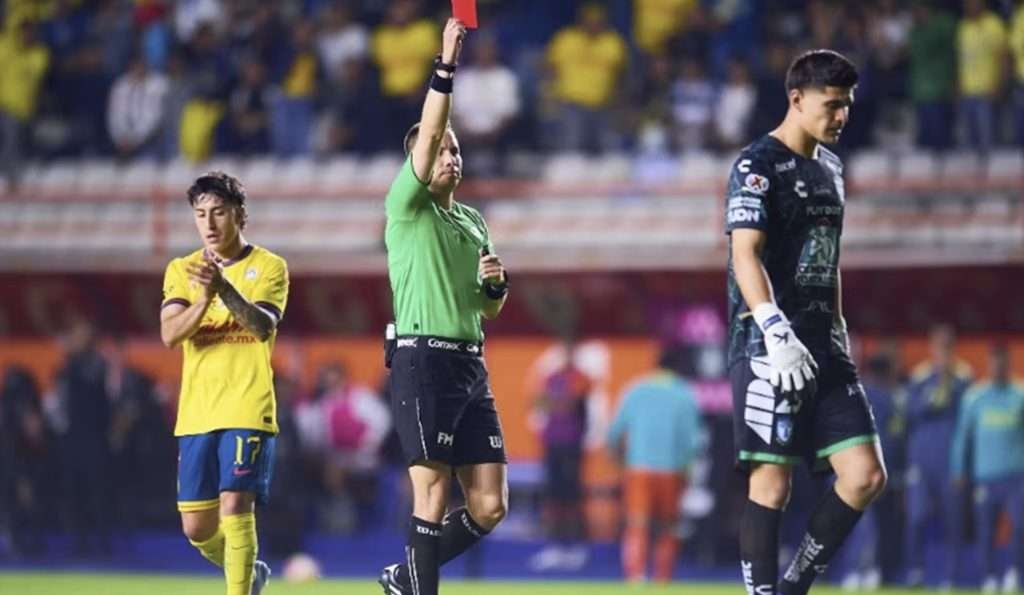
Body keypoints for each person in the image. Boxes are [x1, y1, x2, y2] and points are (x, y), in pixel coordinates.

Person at [725, 49, 887, 595]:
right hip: (767, 345)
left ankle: (794, 586)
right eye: (832, 104)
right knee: (771, 485)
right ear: (796, 99)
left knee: (865, 476)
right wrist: (774, 329)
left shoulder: (834, 169)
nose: (841, 116)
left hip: (824, 344)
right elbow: (745, 254)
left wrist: (837, 329)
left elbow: (828, 255)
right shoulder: (756, 166)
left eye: (847, 106)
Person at [376, 19, 511, 595]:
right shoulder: (407, 208)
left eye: (456, 149)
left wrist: (496, 287)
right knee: (430, 496)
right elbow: (429, 132)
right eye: (441, 149)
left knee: (490, 505)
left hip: (469, 365)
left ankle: (404, 579)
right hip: (423, 362)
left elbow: (485, 311)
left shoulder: (473, 220)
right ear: (418, 165)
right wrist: (446, 65)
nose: (450, 154)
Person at [160, 171, 289, 595]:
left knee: (236, 504)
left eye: (219, 212)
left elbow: (262, 327)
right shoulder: (181, 270)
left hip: (247, 405)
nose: (210, 224)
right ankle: (250, 574)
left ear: (241, 215)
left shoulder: (270, 266)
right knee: (197, 528)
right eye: (200, 214)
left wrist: (224, 290)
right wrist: (203, 298)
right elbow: (170, 334)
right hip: (197, 411)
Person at [607, 349, 701, 583]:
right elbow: (692, 441)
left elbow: (614, 431)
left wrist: (618, 460)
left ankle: (636, 578)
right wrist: (687, 470)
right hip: (671, 471)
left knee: (637, 524)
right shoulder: (685, 395)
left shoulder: (636, 390)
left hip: (639, 468)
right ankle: (662, 580)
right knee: (668, 527)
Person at [950, 343, 1024, 593]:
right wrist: (959, 469)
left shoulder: (1020, 395)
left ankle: (1013, 573)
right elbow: (963, 437)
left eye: (1003, 362)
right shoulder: (975, 397)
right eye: (995, 361)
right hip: (984, 477)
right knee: (984, 531)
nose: (999, 366)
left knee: (1020, 525)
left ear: (1009, 364)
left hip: (1016, 476)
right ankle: (989, 577)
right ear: (989, 364)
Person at [903, 323, 973, 588]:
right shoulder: (920, 377)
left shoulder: (964, 378)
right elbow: (910, 413)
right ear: (932, 347)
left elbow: (967, 423)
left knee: (952, 520)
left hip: (950, 462)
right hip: (922, 460)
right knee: (917, 517)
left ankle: (951, 575)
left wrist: (964, 465)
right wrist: (930, 398)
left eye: (948, 345)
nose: (943, 350)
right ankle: (915, 571)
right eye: (939, 345)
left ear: (953, 347)